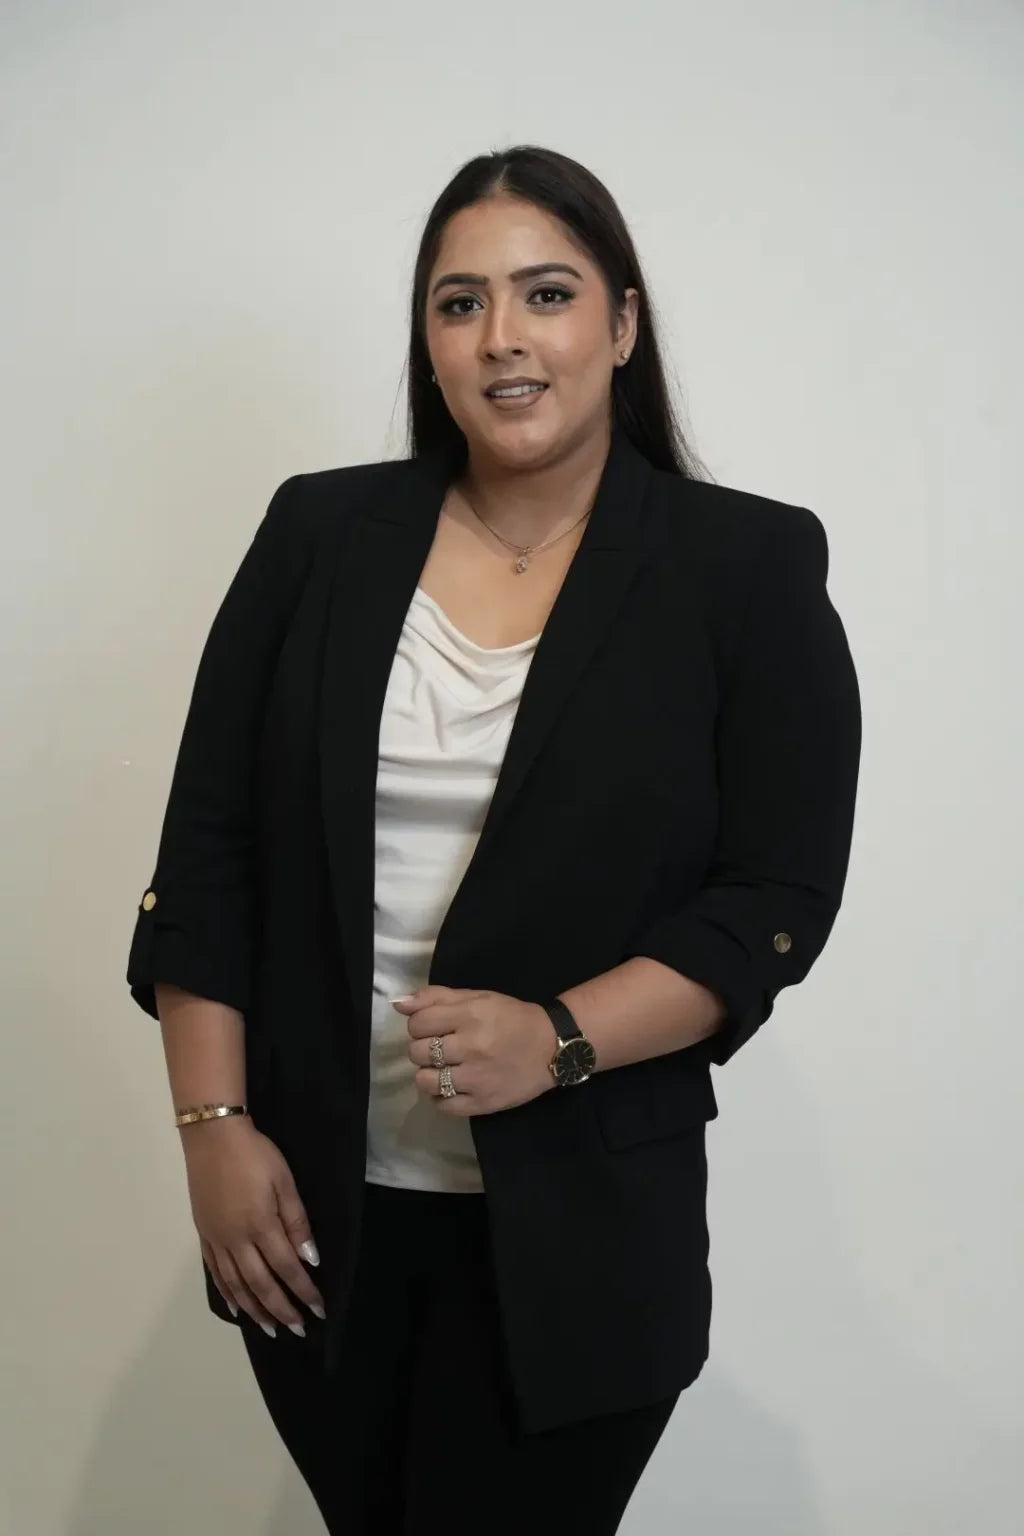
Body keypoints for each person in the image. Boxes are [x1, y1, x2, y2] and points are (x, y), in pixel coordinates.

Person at [126, 143, 862, 1535]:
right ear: (429, 342)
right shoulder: (318, 532)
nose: (503, 337)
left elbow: (775, 895)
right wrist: (212, 1129)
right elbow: (211, 850)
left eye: (547, 294)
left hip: (586, 1239)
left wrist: (558, 1038)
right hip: (313, 1222)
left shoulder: (743, 566)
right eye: (460, 303)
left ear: (622, 325)